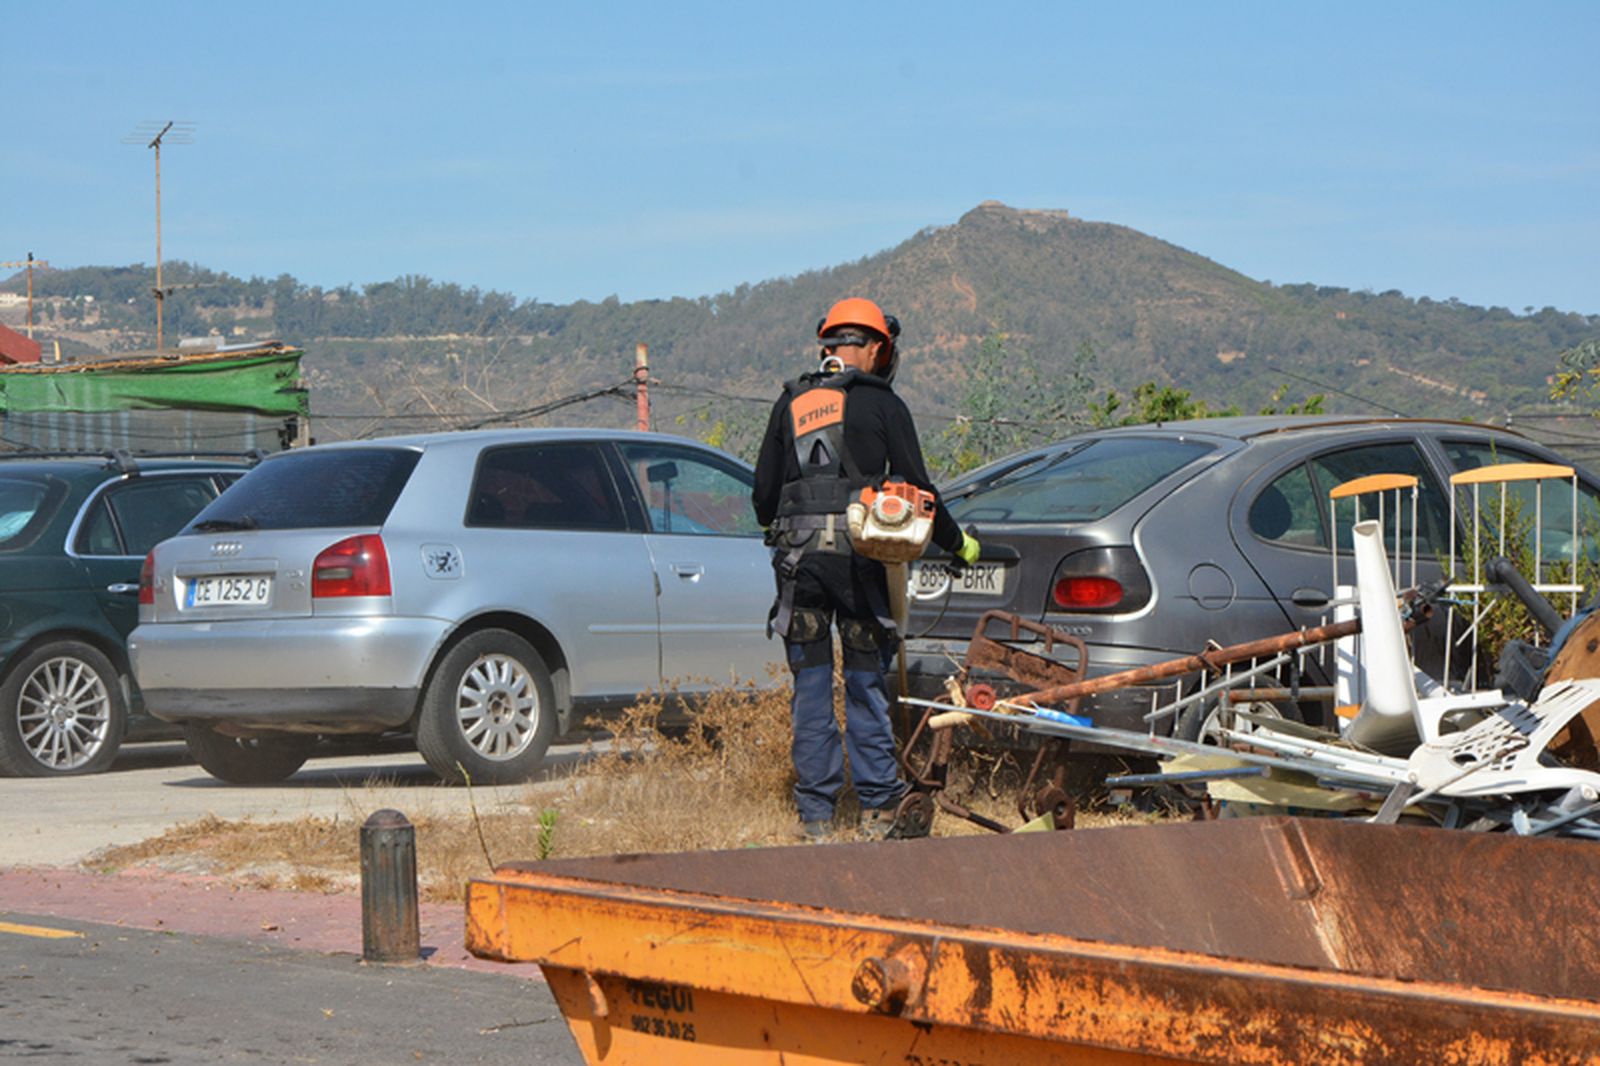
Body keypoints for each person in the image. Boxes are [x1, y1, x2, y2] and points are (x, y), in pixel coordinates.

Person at [752, 297, 980, 841]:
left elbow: (763, 496)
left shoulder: (790, 400)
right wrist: (960, 545)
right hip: (858, 562)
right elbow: (919, 490)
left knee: (810, 685)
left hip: (797, 565)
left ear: (828, 346)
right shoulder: (882, 404)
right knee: (863, 681)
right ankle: (878, 806)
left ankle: (815, 815)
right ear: (878, 349)